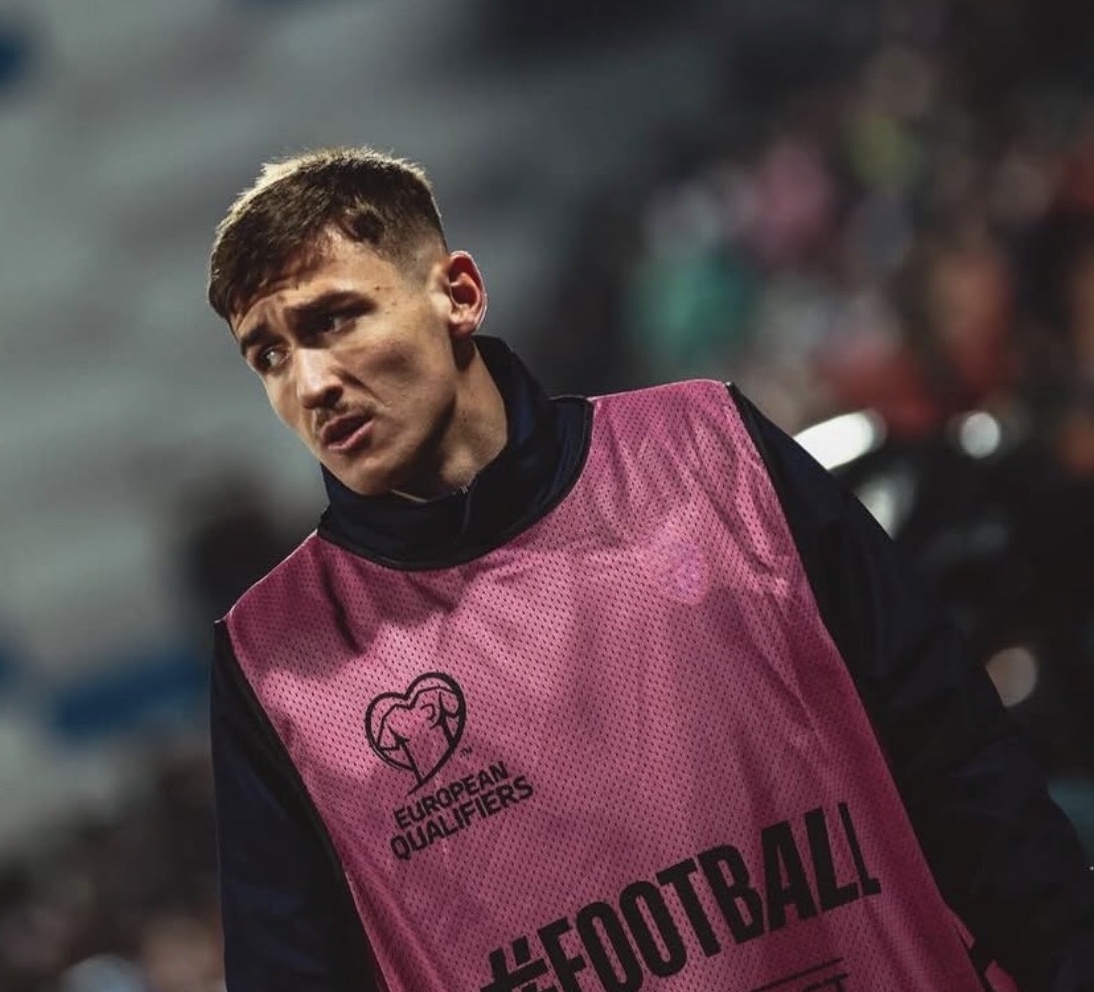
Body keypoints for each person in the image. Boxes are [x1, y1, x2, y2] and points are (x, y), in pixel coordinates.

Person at [204, 147, 1094, 992]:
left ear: (459, 295)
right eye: (268, 355)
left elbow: (961, 769)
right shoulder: (276, 667)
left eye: (334, 319)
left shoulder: (715, 452)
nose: (309, 384)